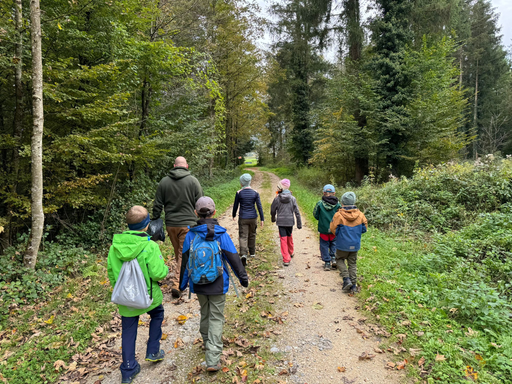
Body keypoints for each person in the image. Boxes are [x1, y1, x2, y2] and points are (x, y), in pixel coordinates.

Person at [179, 196, 249, 372]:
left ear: (196, 213)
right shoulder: (221, 234)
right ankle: (212, 358)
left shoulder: (191, 235)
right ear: (214, 212)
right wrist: (243, 278)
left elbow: (185, 261)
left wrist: (182, 284)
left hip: (198, 283)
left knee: (205, 312)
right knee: (216, 317)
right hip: (218, 283)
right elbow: (233, 258)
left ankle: (206, 342)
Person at [107, 206, 169, 384]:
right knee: (157, 314)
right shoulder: (150, 246)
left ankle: (128, 369)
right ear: (147, 225)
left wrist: (121, 291)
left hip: (125, 298)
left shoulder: (114, 248)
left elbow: (112, 273)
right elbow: (158, 274)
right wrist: (165, 269)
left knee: (128, 329)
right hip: (148, 296)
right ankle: (153, 351)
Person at [152, 156, 203, 298]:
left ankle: (181, 276)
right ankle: (178, 285)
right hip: (187, 224)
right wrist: (201, 217)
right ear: (186, 166)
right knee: (182, 254)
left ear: (174, 166)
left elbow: (157, 204)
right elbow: (200, 201)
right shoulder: (193, 181)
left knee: (179, 253)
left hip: (171, 224)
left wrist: (155, 218)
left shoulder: (164, 182)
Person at [330, 192, 368, 294]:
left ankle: (346, 279)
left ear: (342, 202)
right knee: (352, 263)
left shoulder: (338, 215)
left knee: (339, 259)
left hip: (342, 245)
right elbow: (364, 229)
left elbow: (333, 228)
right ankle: (354, 286)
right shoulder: (360, 215)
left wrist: (338, 234)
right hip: (355, 245)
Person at [232, 173, 264, 266]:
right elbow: (259, 206)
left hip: (243, 217)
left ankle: (244, 254)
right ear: (250, 182)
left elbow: (235, 205)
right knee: (252, 234)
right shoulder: (255, 192)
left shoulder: (239, 193)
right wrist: (262, 218)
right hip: (253, 217)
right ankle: (252, 252)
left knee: (243, 235)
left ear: (241, 183)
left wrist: (233, 215)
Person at [270, 179, 302, 266]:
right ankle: (291, 252)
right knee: (289, 236)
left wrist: (273, 218)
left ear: (281, 187)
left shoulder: (277, 198)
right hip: (289, 221)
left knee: (283, 239)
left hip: (281, 221)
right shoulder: (292, 198)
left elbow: (273, 210)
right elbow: (297, 212)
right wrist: (299, 223)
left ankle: (286, 259)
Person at [313, 184, 341, 271]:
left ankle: (327, 263)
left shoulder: (320, 203)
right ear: (334, 193)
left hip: (323, 229)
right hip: (334, 230)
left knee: (324, 245)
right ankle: (333, 258)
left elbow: (316, 215)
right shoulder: (338, 205)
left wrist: (321, 219)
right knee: (334, 244)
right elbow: (341, 216)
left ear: (323, 193)